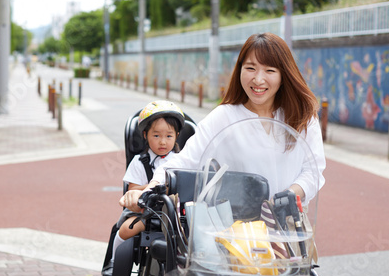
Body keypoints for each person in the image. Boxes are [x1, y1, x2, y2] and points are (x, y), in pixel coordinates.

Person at [120, 32, 326, 213]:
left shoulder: (303, 116)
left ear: (283, 75)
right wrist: (153, 185)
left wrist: (288, 197)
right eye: (251, 68)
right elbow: (185, 160)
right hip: (238, 230)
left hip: (289, 225)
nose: (258, 79)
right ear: (239, 70)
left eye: (270, 71)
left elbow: (313, 170)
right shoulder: (224, 117)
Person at [101, 100, 186, 276]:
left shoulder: (181, 160)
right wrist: (151, 186)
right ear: (146, 135)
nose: (163, 141)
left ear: (177, 136)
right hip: (145, 212)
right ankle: (115, 263)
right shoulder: (140, 162)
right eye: (156, 135)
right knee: (125, 229)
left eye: (169, 136)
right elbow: (132, 189)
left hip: (175, 216)